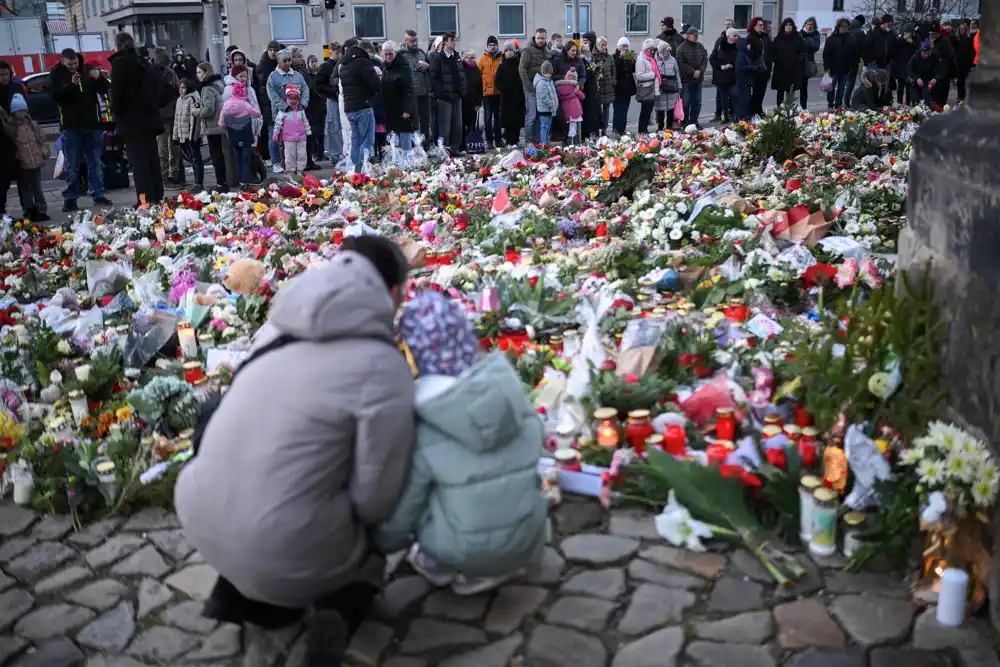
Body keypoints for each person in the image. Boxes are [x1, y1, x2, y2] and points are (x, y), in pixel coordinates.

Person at [177, 235, 414, 667]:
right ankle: (339, 609)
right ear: (396, 293)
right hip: (284, 542)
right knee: (370, 542)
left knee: (282, 496)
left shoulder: (275, 328)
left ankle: (242, 595)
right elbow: (375, 498)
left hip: (197, 515)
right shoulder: (383, 365)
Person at [375, 292, 547, 596]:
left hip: (463, 549)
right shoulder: (509, 391)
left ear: (415, 350)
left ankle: (448, 565)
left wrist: (384, 542)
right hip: (528, 537)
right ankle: (505, 558)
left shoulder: (424, 420)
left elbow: (409, 505)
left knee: (427, 488)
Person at [47, 48, 113, 212]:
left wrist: (99, 78)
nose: (73, 67)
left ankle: (98, 194)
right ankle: (70, 198)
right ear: (63, 61)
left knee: (95, 163)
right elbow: (56, 97)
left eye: (75, 63)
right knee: (72, 164)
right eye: (70, 64)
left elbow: (105, 89)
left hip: (92, 125)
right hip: (71, 126)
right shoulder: (56, 75)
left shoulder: (87, 71)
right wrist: (71, 85)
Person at [109, 32, 165, 206]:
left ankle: (144, 199)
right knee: (151, 158)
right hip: (148, 117)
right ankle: (156, 194)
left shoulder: (120, 63)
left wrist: (115, 113)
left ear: (117, 45)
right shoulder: (143, 62)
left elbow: (117, 94)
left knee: (138, 162)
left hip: (131, 119)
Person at [2, 94, 49, 221]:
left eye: (23, 110)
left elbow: (42, 138)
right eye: (18, 111)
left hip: (35, 160)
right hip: (22, 162)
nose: (21, 114)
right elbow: (10, 141)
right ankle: (29, 209)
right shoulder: (12, 127)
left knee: (37, 187)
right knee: (25, 188)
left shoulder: (33, 125)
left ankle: (41, 208)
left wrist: (44, 150)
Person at [340, 39, 381, 168]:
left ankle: (355, 170)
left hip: (350, 108)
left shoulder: (345, 64)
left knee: (355, 141)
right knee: (367, 141)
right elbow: (375, 83)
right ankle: (363, 170)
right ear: (367, 51)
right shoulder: (363, 62)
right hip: (364, 106)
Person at [266, 50, 309, 171]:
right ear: (278, 62)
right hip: (282, 113)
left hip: (297, 113)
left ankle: (298, 167)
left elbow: (305, 89)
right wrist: (284, 106)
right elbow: (272, 94)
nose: (287, 63)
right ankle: (284, 165)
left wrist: (303, 104)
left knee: (297, 141)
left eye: (289, 60)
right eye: (284, 61)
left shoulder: (297, 75)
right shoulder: (273, 76)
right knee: (282, 142)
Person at [218, 80, 261, 189]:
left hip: (233, 136)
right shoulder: (245, 104)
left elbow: (221, 123)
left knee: (238, 160)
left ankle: (239, 180)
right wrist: (252, 103)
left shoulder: (227, 104)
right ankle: (244, 182)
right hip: (245, 135)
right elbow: (257, 114)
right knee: (245, 160)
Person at [430, 33, 465, 155]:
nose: (454, 43)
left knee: (457, 125)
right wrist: (439, 94)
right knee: (445, 126)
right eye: (452, 40)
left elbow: (460, 75)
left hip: (456, 95)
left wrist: (462, 91)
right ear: (445, 42)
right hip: (445, 97)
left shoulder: (456, 57)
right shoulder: (438, 58)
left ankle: (455, 149)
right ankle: (444, 150)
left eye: (454, 40)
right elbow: (434, 78)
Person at [379, 40, 418, 151]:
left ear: (395, 52)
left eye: (390, 53)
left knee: (404, 134)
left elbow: (408, 89)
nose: (388, 56)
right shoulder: (385, 66)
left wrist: (407, 109)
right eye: (385, 54)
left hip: (402, 105)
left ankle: (406, 160)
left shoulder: (403, 66)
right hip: (390, 107)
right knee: (394, 136)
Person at [196, 63, 229, 192]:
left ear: (206, 72)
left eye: (199, 72)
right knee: (219, 154)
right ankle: (223, 182)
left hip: (212, 126)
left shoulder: (207, 88)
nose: (197, 75)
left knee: (216, 155)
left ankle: (221, 184)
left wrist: (196, 111)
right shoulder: (218, 85)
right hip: (219, 124)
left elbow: (208, 110)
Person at [400, 31, 432, 143]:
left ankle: (426, 145)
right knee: (414, 122)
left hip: (424, 92)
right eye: (411, 41)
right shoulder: (401, 55)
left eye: (415, 40)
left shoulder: (421, 53)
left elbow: (432, 70)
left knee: (425, 122)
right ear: (406, 41)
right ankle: (415, 146)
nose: (414, 43)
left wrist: (427, 66)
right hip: (410, 95)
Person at [518, 28, 548, 145]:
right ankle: (529, 141)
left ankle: (537, 140)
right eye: (538, 38)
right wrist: (529, 88)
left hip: (542, 87)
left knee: (540, 115)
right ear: (535, 37)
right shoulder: (528, 50)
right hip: (530, 87)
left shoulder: (546, 50)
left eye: (543, 38)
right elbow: (522, 69)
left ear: (546, 38)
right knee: (531, 115)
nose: (540, 40)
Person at [272, 85, 310, 175]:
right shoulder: (283, 112)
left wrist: (308, 131)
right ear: (287, 98)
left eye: (296, 98)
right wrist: (275, 133)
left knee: (302, 154)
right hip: (289, 138)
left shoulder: (301, 111)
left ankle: (300, 170)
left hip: (301, 137)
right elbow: (278, 123)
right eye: (291, 98)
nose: (293, 101)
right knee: (289, 155)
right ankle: (290, 171)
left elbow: (305, 122)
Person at [823, 18, 860, 109]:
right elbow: (826, 54)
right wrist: (827, 67)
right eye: (842, 26)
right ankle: (830, 103)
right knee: (830, 88)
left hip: (845, 69)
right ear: (838, 27)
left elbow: (854, 54)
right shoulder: (831, 39)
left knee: (841, 88)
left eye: (846, 26)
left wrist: (852, 66)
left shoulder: (850, 38)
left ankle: (838, 104)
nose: (844, 28)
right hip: (833, 68)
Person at [173, 79, 203, 191]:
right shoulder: (179, 100)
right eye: (180, 87)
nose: (181, 90)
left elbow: (194, 120)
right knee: (192, 158)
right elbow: (177, 119)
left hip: (191, 135)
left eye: (183, 87)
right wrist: (176, 136)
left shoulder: (192, 99)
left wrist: (193, 136)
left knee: (196, 159)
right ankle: (197, 183)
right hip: (183, 135)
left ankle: (198, 182)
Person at [316, 42, 344, 162]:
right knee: (334, 128)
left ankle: (341, 153)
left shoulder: (342, 64)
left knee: (341, 128)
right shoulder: (326, 66)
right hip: (332, 99)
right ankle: (335, 155)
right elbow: (319, 85)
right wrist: (333, 92)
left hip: (341, 99)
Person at [257, 40, 282, 168]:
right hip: (268, 104)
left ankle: (282, 160)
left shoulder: (281, 63)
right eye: (270, 50)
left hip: (282, 103)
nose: (273, 52)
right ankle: (275, 161)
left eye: (275, 50)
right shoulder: (263, 66)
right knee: (273, 134)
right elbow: (265, 84)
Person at [676, 27, 708, 127]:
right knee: (686, 102)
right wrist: (692, 71)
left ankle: (694, 121)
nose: (696, 37)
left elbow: (705, 60)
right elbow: (680, 63)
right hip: (686, 80)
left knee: (697, 102)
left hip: (698, 80)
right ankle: (685, 121)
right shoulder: (681, 48)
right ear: (688, 36)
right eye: (695, 35)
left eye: (697, 35)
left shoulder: (700, 46)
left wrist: (700, 71)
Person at [770, 18, 805, 106]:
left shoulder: (797, 38)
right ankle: (779, 109)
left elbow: (802, 51)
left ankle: (789, 110)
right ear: (783, 27)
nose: (788, 27)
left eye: (790, 25)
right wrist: (777, 59)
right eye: (786, 25)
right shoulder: (778, 38)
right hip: (781, 69)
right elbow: (772, 52)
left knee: (791, 91)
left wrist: (798, 59)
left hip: (793, 69)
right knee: (780, 91)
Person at [496, 41, 524, 147]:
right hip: (507, 98)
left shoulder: (519, 63)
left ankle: (516, 140)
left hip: (518, 96)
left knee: (518, 120)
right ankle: (510, 141)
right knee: (509, 121)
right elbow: (498, 82)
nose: (509, 52)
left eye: (510, 50)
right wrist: (504, 89)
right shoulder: (502, 66)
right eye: (506, 50)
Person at [735, 26, 765, 121]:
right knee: (743, 101)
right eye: (748, 45)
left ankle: (745, 117)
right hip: (743, 81)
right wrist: (752, 67)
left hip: (748, 81)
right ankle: (740, 118)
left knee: (747, 100)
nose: (750, 47)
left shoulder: (747, 54)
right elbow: (740, 67)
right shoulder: (742, 55)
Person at [477, 36, 502, 149]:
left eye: (494, 45)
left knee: (498, 117)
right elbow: (478, 75)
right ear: (487, 46)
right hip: (487, 93)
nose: (492, 47)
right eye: (490, 45)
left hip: (498, 92)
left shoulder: (501, 57)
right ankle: (489, 140)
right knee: (487, 118)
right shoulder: (482, 59)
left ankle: (498, 139)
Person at [710, 29, 739, 123]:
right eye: (734, 36)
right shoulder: (720, 45)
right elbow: (712, 59)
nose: (736, 38)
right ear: (729, 36)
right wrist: (721, 66)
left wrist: (732, 65)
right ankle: (725, 117)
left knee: (734, 95)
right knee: (723, 98)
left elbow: (740, 60)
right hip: (721, 76)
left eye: (737, 36)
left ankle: (734, 115)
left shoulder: (737, 46)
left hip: (732, 75)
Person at [743, 17, 769, 117]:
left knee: (761, 92)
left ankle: (758, 109)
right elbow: (748, 54)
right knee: (755, 93)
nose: (762, 27)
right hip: (755, 70)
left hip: (764, 69)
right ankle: (753, 112)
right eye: (759, 25)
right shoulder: (750, 38)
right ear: (753, 26)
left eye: (762, 25)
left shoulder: (763, 37)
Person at [634, 39, 660, 133]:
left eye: (653, 50)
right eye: (650, 50)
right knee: (645, 112)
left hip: (651, 88)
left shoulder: (650, 59)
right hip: (646, 88)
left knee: (648, 111)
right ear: (645, 49)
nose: (652, 52)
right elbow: (639, 75)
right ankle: (642, 130)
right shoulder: (641, 59)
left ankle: (644, 130)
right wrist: (652, 75)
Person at [303, 54, 326, 166]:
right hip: (311, 107)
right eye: (312, 61)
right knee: (313, 132)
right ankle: (314, 153)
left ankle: (321, 153)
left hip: (321, 106)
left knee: (321, 132)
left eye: (315, 61)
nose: (314, 63)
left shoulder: (320, 75)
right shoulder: (307, 76)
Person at [908, 39, 945, 106]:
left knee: (930, 98)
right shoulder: (915, 58)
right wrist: (917, 78)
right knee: (917, 100)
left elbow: (941, 70)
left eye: (928, 53)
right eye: (924, 53)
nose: (926, 55)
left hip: (930, 80)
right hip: (918, 81)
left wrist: (935, 79)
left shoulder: (934, 57)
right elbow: (910, 71)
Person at [653, 41, 681, 131]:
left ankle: (669, 126)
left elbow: (677, 73)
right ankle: (660, 127)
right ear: (661, 51)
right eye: (666, 51)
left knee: (670, 109)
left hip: (671, 87)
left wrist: (679, 86)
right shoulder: (655, 60)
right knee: (660, 109)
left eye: (669, 51)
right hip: (660, 88)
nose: (668, 52)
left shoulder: (672, 59)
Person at [592, 37, 616, 135]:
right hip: (598, 86)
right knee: (597, 109)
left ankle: (605, 130)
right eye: (602, 45)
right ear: (597, 46)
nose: (604, 47)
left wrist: (613, 80)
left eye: (605, 45)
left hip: (608, 86)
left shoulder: (609, 57)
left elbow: (613, 70)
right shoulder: (593, 56)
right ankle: (597, 130)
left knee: (607, 108)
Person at [554, 63, 584, 144]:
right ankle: (573, 140)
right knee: (574, 127)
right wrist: (577, 92)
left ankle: (569, 139)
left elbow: (559, 96)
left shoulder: (560, 87)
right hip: (575, 111)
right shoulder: (574, 87)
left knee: (569, 125)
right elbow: (582, 96)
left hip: (566, 110)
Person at [459, 50, 482, 152]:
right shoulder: (460, 69)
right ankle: (462, 145)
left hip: (473, 101)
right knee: (462, 124)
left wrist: (478, 103)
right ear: (463, 58)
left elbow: (479, 87)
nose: (472, 60)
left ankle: (471, 144)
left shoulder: (476, 69)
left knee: (472, 124)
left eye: (473, 57)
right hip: (462, 101)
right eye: (470, 58)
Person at [928, 22, 955, 105]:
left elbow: (944, 55)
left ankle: (941, 106)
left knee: (942, 91)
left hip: (943, 69)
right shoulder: (929, 41)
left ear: (938, 34)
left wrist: (933, 49)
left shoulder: (944, 41)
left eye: (934, 34)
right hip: (933, 70)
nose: (932, 36)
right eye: (931, 34)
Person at [612, 38, 635, 136]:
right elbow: (615, 69)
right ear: (619, 46)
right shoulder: (614, 56)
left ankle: (622, 129)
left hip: (627, 87)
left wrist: (634, 60)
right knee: (618, 109)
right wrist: (620, 58)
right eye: (623, 46)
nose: (625, 48)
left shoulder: (629, 56)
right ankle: (616, 129)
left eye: (627, 46)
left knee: (625, 109)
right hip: (618, 88)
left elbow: (632, 70)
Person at [892, 26, 919, 104]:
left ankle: (908, 102)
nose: (907, 34)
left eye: (909, 33)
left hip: (910, 65)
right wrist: (903, 40)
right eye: (906, 33)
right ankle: (899, 102)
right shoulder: (899, 39)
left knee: (909, 86)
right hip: (901, 66)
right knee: (901, 86)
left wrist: (911, 43)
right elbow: (895, 49)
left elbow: (917, 50)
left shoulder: (916, 39)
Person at [533, 60, 557, 145]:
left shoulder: (548, 81)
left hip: (549, 109)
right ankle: (543, 142)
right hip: (544, 109)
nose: (549, 75)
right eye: (547, 73)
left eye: (550, 73)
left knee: (548, 126)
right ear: (543, 72)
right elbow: (543, 96)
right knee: (544, 126)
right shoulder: (542, 82)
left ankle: (546, 141)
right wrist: (551, 104)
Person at [955, 22, 975, 103]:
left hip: (967, 63)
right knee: (959, 81)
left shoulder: (969, 40)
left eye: (963, 29)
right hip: (958, 63)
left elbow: (972, 51)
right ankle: (960, 97)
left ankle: (967, 97)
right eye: (960, 29)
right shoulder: (957, 40)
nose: (961, 31)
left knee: (966, 80)